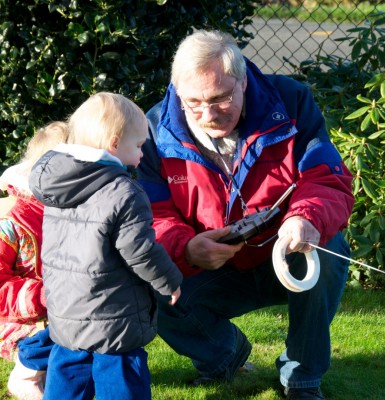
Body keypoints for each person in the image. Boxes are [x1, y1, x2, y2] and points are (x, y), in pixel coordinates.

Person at [136, 30, 355, 400]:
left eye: (220, 98)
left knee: (330, 250)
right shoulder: (153, 130)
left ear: (243, 80)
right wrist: (186, 248)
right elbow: (152, 214)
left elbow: (325, 177)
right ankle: (224, 356)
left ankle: (301, 375)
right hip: (209, 266)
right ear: (176, 90)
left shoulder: (290, 100)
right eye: (194, 103)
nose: (208, 114)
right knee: (149, 281)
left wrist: (305, 217)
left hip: (285, 252)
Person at [28, 92, 183, 400]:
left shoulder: (58, 187)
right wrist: (170, 281)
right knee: (121, 376)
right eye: (138, 146)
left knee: (69, 373)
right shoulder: (124, 191)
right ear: (114, 143)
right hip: (113, 313)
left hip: (67, 311)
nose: (142, 154)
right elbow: (140, 250)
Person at [0, 122, 69, 400]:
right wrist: (42, 296)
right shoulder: (12, 221)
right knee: (63, 329)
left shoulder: (71, 209)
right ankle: (26, 376)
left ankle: (62, 371)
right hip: (18, 317)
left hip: (61, 303)